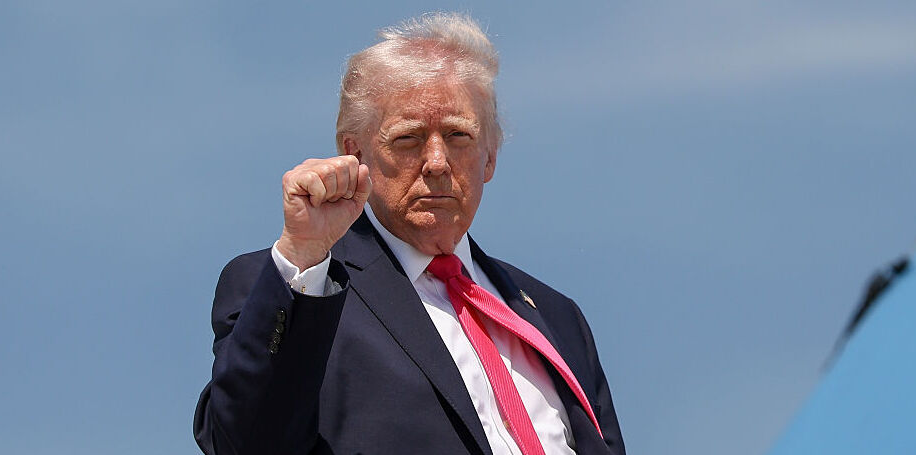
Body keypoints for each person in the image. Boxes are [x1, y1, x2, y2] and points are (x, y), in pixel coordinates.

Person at [194, 13, 626, 455]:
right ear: (354, 153)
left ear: (490, 157)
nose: (437, 162)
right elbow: (243, 442)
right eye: (408, 139)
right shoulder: (302, 288)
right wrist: (303, 254)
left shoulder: (554, 317)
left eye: (458, 136)